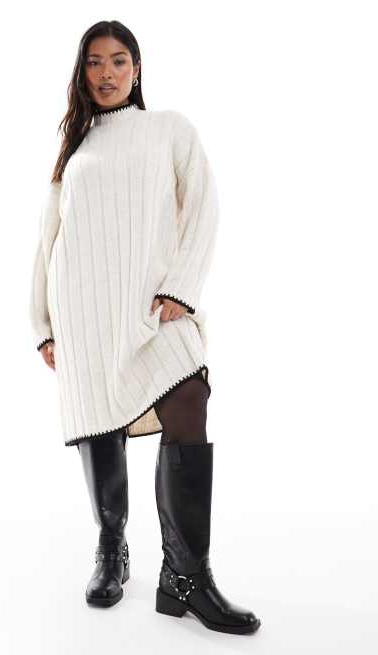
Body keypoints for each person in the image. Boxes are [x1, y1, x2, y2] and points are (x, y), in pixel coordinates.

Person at [29, 20, 261, 635]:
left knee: (188, 395)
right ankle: (112, 548)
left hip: (150, 308)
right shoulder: (74, 150)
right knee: (100, 423)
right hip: (83, 310)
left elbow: (205, 204)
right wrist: (43, 323)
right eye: (94, 62)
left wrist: (181, 287)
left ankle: (185, 576)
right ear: (81, 73)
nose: (106, 72)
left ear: (137, 69)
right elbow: (48, 240)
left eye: (118, 60)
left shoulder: (169, 129)